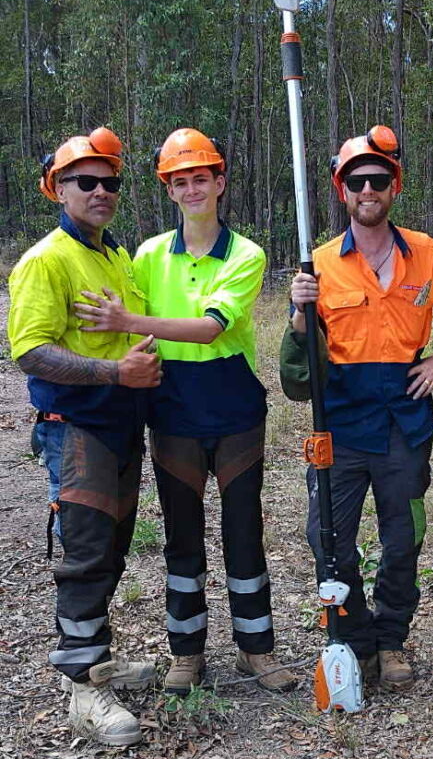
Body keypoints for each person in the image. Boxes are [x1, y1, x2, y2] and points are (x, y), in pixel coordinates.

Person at [74, 128, 296, 695]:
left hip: (235, 407)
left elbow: (209, 328)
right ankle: (187, 653)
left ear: (219, 183)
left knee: (244, 529)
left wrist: (128, 324)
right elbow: (132, 325)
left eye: (201, 178)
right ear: (168, 192)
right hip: (172, 409)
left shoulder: (246, 253)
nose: (192, 188)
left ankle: (256, 649)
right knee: (181, 533)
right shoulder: (148, 255)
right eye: (180, 181)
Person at [282, 126, 433, 691]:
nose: (369, 189)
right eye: (357, 181)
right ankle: (353, 636)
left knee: (403, 536)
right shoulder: (318, 264)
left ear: (395, 186)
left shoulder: (427, 254)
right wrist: (300, 312)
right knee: (329, 538)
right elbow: (301, 361)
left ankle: (392, 640)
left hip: (404, 422)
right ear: (342, 190)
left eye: (379, 179)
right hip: (340, 420)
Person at [7, 128, 161, 747]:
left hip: (121, 422)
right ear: (58, 189)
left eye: (110, 182)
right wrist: (112, 372)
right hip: (77, 426)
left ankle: (97, 656)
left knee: (114, 543)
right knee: (86, 549)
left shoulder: (114, 254)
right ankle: (82, 685)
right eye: (86, 182)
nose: (101, 192)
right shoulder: (47, 259)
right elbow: (30, 351)